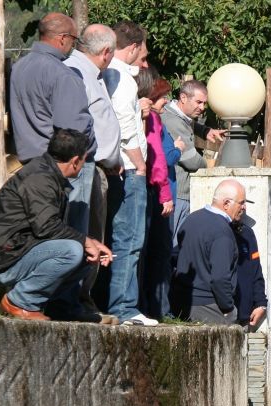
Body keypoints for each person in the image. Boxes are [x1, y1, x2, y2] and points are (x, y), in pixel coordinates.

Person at [0, 129, 113, 322]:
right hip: (1, 259)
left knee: (86, 254)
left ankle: (59, 308)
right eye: (84, 159)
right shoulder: (39, 178)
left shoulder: (48, 174)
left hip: (16, 250)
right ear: (75, 160)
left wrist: (91, 243)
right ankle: (20, 302)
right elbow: (46, 227)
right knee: (72, 250)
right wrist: (84, 240)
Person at [9, 12, 97, 236]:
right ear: (62, 38)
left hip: (27, 164)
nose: (73, 47)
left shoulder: (19, 68)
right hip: (62, 168)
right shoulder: (62, 74)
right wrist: (94, 148)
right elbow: (73, 132)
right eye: (74, 41)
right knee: (71, 240)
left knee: (37, 235)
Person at [102, 20, 158, 326]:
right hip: (130, 168)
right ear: (134, 47)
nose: (145, 56)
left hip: (116, 166)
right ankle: (124, 307)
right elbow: (124, 124)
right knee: (130, 239)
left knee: (120, 238)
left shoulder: (109, 75)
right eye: (144, 49)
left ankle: (121, 305)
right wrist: (141, 163)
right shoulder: (122, 78)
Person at [63, 23, 121, 315]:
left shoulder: (91, 73)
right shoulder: (77, 73)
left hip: (97, 166)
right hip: (85, 166)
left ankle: (82, 297)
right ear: (107, 52)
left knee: (93, 232)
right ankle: (76, 298)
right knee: (86, 232)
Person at [137, 68, 181, 319]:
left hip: (152, 189)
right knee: (158, 252)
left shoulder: (152, 118)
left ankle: (151, 308)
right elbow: (158, 159)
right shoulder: (152, 120)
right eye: (164, 97)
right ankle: (158, 309)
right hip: (157, 192)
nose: (167, 101)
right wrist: (165, 194)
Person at [161, 80, 225, 246]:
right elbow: (192, 161)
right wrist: (211, 167)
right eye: (198, 102)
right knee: (173, 246)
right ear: (183, 98)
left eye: (204, 103)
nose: (202, 107)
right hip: (178, 194)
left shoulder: (179, 116)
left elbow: (189, 123)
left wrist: (205, 131)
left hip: (179, 193)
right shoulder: (173, 121)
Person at [172, 179, 246, 324]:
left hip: (182, 303)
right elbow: (220, 278)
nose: (244, 207)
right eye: (241, 202)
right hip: (208, 305)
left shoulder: (191, 219)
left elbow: (176, 257)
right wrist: (228, 309)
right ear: (226, 204)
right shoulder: (222, 232)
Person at [233, 218, 268, 331]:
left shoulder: (247, 233)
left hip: (245, 318)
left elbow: (256, 269)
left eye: (244, 203)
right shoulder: (214, 232)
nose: (243, 207)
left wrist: (261, 304)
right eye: (240, 203)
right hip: (219, 316)